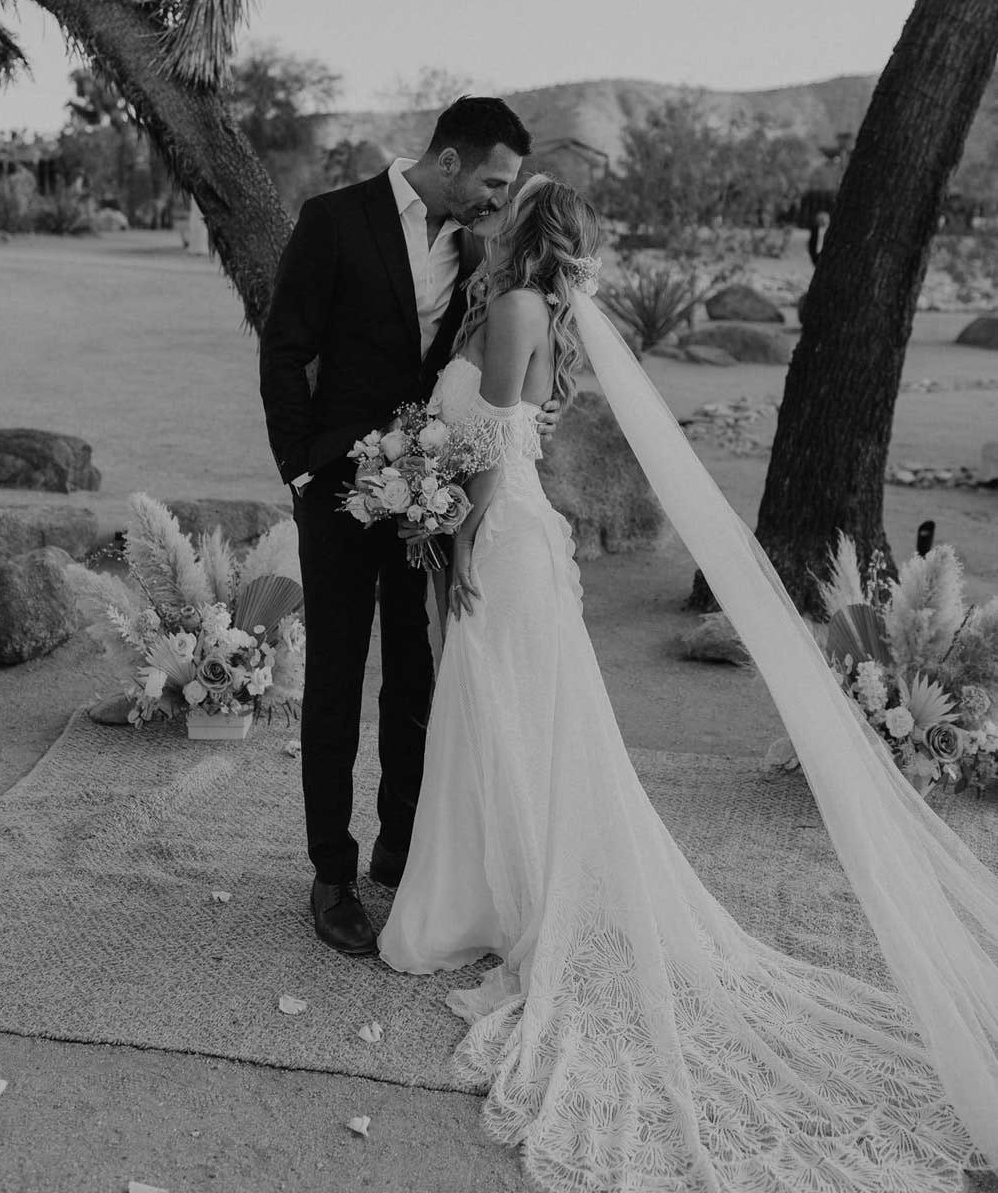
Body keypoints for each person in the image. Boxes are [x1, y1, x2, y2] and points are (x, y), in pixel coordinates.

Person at [378, 176, 998, 1192]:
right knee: (501, 718)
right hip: (508, 530)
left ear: (520, 231)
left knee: (505, 714)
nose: (485, 222)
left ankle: (498, 900)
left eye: (501, 212)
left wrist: (450, 537)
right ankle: (495, 892)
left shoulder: (520, 307)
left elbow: (497, 445)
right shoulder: (522, 307)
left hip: (503, 533)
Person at [259, 97, 564, 958]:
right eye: (492, 183)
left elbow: (475, 368)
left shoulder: (473, 247)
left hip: (426, 498)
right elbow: (284, 347)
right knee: (335, 679)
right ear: (450, 160)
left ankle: (400, 844)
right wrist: (301, 466)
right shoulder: (333, 221)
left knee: (414, 674)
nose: (496, 202)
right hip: (337, 491)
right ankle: (330, 871)